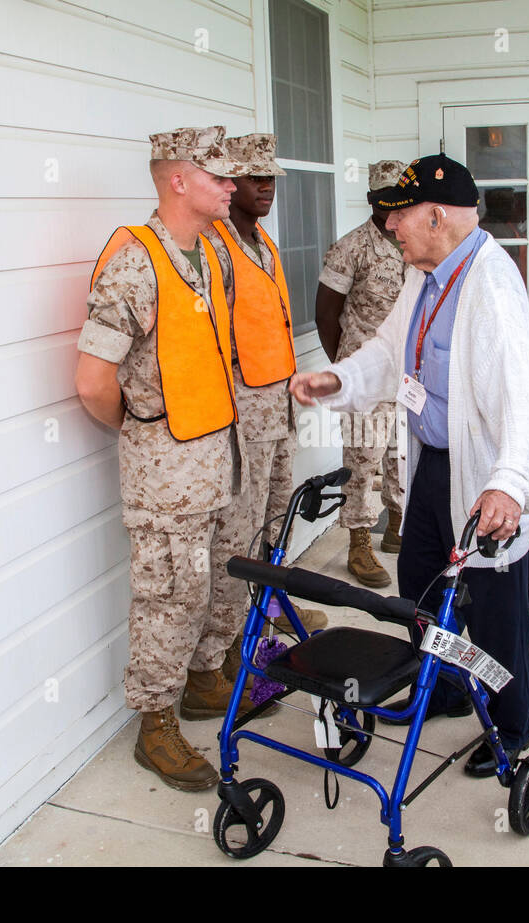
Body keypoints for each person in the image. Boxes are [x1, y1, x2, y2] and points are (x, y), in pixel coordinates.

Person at [291, 154, 529, 776]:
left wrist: (509, 484)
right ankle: (452, 689)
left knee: (495, 609)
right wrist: (337, 379)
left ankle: (511, 728)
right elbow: (387, 350)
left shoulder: (489, 282)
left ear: (435, 216)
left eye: (400, 216)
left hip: (483, 478)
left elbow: (523, 396)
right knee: (425, 589)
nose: (389, 228)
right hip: (432, 465)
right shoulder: (423, 273)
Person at [74, 126, 255, 792]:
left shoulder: (213, 253)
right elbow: (93, 381)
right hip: (167, 476)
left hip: (222, 460)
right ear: (178, 179)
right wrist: (145, 429)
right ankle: (156, 725)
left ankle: (207, 681)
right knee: (170, 598)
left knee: (222, 582)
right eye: (219, 175)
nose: (232, 185)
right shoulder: (135, 261)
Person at [202, 133, 326, 655]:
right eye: (255, 178)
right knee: (238, 532)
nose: (266, 187)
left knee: (277, 518)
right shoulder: (214, 246)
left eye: (271, 177)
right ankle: (223, 646)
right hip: (242, 415)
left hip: (277, 409)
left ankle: (269, 612)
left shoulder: (262, 243)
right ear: (230, 184)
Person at [314, 159, 409, 589]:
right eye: (384, 196)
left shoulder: (413, 243)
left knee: (400, 457)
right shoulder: (351, 247)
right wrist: (347, 369)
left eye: (400, 197)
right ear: (371, 198)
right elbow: (325, 313)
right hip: (365, 378)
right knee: (362, 460)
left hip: (407, 376)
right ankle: (358, 543)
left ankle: (396, 527)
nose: (392, 206)